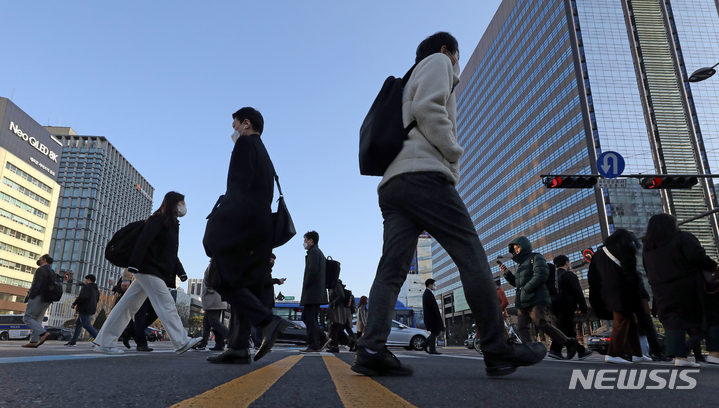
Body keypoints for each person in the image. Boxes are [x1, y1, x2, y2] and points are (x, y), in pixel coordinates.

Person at [354, 32, 546, 377]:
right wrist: (454, 153)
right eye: (457, 56)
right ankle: (496, 347)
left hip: (393, 185)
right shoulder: (438, 61)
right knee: (470, 255)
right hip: (425, 175)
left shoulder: (405, 81)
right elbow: (428, 108)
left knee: (392, 270)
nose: (456, 63)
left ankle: (371, 347)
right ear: (447, 51)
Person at [202, 107, 289, 364]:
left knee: (221, 277)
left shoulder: (244, 146)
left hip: (241, 221)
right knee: (244, 284)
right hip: (261, 224)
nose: (234, 131)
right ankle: (238, 347)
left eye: (235, 125)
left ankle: (268, 321)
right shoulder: (265, 153)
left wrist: (221, 222)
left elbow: (237, 188)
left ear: (246, 123)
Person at [93, 191, 201, 355]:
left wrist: (181, 272)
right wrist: (134, 266)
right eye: (182, 203)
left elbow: (170, 253)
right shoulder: (158, 220)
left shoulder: (170, 224)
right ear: (173, 203)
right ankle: (181, 341)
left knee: (127, 306)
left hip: (151, 270)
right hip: (148, 269)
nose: (184, 207)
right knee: (166, 304)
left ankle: (103, 342)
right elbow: (143, 241)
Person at [642, 213, 719, 367]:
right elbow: (697, 256)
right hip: (687, 286)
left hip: (661, 291)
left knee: (673, 322)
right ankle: (714, 354)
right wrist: (714, 266)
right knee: (712, 316)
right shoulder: (682, 238)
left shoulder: (648, 249)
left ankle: (680, 357)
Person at [501, 237, 577, 360]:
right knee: (522, 326)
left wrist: (526, 289)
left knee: (540, 322)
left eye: (518, 247)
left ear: (524, 246)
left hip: (536, 298)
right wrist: (507, 274)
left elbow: (541, 275)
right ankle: (530, 351)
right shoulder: (520, 265)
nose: (516, 251)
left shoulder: (536, 257)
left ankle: (568, 341)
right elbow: (517, 283)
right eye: (514, 249)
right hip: (523, 300)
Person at [589, 228, 649, 364]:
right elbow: (630, 271)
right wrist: (636, 290)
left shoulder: (599, 253)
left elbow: (592, 275)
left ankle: (637, 354)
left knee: (631, 320)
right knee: (621, 320)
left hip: (604, 291)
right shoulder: (624, 248)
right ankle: (614, 354)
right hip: (622, 291)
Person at [549, 256, 592, 360]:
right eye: (569, 262)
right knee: (562, 328)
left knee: (568, 329)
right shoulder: (569, 275)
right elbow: (577, 292)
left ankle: (581, 351)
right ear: (566, 263)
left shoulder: (552, 277)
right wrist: (583, 307)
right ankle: (555, 349)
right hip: (567, 305)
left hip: (554, 305)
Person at [299, 231, 329, 354]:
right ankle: (322, 338)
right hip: (316, 292)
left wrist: (305, 284)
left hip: (313, 292)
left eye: (305, 240)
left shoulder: (314, 252)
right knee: (306, 317)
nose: (304, 243)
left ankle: (314, 345)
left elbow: (312, 270)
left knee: (310, 318)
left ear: (311, 240)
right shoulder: (317, 253)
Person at [22, 254, 56, 348]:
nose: (39, 260)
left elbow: (36, 284)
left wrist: (31, 296)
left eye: (40, 259)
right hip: (48, 298)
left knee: (27, 317)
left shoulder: (41, 269)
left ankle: (43, 333)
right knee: (38, 319)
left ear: (44, 260)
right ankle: (33, 341)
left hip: (39, 296)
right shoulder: (52, 271)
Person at [196, 261, 229, 352]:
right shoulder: (222, 263)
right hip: (217, 297)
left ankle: (231, 337)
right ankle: (213, 343)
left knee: (214, 322)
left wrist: (209, 288)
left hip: (214, 297)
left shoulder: (216, 263)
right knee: (206, 322)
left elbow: (211, 280)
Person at [64, 274, 100, 346]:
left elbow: (82, 297)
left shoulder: (86, 288)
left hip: (84, 308)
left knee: (87, 325)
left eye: (85, 279)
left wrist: (74, 304)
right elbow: (97, 300)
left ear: (89, 280)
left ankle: (99, 340)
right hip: (91, 309)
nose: (84, 281)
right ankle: (73, 342)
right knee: (78, 325)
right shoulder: (96, 290)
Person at [422, 279, 444, 354]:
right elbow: (432, 306)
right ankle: (432, 349)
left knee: (435, 332)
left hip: (431, 317)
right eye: (434, 284)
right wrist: (437, 316)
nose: (435, 286)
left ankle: (425, 344)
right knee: (435, 332)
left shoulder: (427, 293)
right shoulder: (428, 293)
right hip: (432, 317)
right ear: (430, 285)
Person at [326, 279, 346, 353]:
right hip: (335, 309)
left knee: (335, 328)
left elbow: (342, 296)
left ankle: (334, 346)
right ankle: (334, 346)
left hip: (337, 309)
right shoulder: (332, 286)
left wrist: (332, 303)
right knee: (335, 329)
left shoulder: (336, 285)